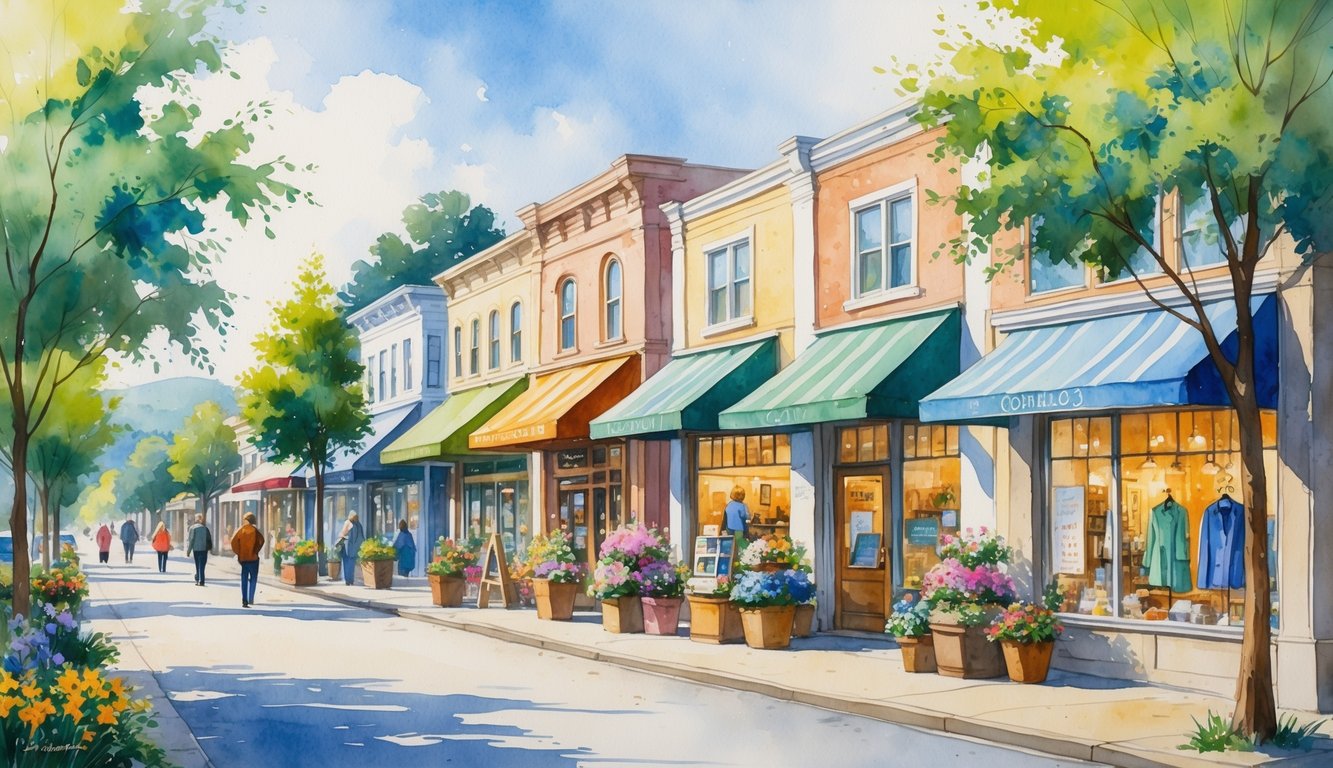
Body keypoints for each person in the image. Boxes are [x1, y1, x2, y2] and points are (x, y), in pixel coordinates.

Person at [230, 512, 265, 608]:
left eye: (244, 519)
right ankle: (251, 598)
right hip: (254, 558)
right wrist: (256, 550)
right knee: (253, 578)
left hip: (244, 559)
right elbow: (262, 541)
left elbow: (233, 542)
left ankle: (244, 600)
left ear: (247, 520)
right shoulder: (255, 531)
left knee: (244, 579)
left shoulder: (241, 530)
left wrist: (239, 553)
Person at [335, 512, 365, 586]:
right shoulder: (359, 525)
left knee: (346, 563)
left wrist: (340, 536)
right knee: (351, 564)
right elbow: (362, 538)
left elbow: (343, 534)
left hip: (347, 547)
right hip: (355, 548)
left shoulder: (348, 523)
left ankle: (348, 581)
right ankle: (351, 580)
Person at [187, 514, 213, 586]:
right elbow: (209, 540)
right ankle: (201, 580)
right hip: (204, 549)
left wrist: (188, 551)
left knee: (197, 564)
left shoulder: (192, 528)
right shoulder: (205, 528)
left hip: (196, 549)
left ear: (196, 520)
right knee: (202, 565)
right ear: (201, 520)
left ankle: (198, 578)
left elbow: (191, 540)